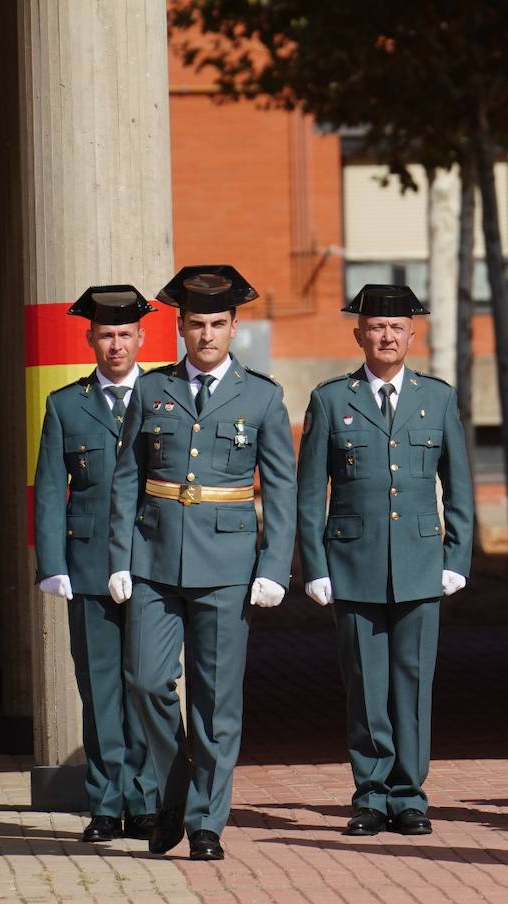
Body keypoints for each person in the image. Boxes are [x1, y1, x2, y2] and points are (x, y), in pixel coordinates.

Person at [108, 265, 296, 861]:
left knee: (216, 699)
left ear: (234, 326)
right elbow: (126, 479)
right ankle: (175, 792)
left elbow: (282, 488)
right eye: (196, 324)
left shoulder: (263, 394)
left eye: (218, 324)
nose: (207, 335)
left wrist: (274, 563)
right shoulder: (150, 390)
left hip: (229, 560)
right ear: (180, 327)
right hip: (155, 557)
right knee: (142, 680)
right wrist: (120, 557)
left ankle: (207, 819)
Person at [296, 284, 474, 838]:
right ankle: (371, 795)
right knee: (367, 685)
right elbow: (309, 494)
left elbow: (460, 486)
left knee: (413, 683)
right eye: (376, 327)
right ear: (359, 335)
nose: (387, 336)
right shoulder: (330, 399)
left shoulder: (438, 399)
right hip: (353, 562)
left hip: (421, 563)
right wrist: (315, 566)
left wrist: (457, 556)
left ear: (412, 336)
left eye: (397, 328)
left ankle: (410, 794)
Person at [33, 285, 158, 842]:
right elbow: (49, 491)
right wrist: (52, 563)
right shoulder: (65, 404)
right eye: (105, 335)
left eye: (124, 335)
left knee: (149, 685)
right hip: (87, 565)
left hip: (154, 566)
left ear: (141, 338)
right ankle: (107, 804)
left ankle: (149, 799)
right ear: (90, 339)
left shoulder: (164, 396)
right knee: (100, 688)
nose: (115, 345)